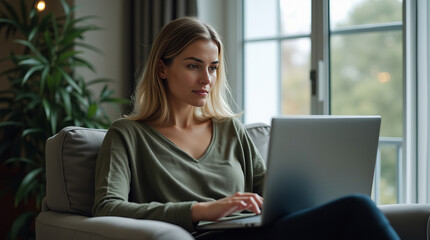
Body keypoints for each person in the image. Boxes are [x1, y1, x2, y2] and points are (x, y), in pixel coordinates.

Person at [92, 17, 400, 240]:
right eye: (192, 65)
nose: (206, 79)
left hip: (255, 230)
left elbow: (271, 193)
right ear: (162, 68)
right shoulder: (128, 135)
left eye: (212, 68)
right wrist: (201, 210)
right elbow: (107, 208)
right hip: (202, 236)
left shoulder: (230, 130)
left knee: (356, 208)